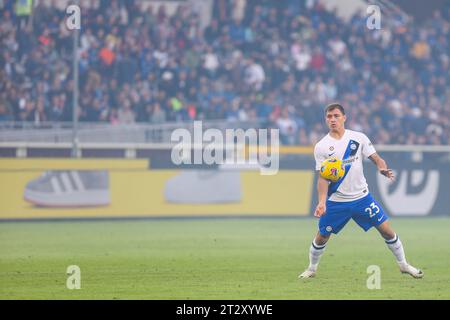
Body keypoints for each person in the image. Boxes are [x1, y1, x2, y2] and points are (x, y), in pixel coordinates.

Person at [299, 103, 423, 279]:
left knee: (387, 231)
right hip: (337, 201)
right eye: (329, 116)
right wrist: (321, 201)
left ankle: (403, 265)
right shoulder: (321, 146)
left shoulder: (358, 138)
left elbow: (376, 158)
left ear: (344, 118)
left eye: (336, 116)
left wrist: (382, 168)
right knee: (322, 237)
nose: (332, 119)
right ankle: (311, 269)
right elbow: (322, 178)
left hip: (362, 198)